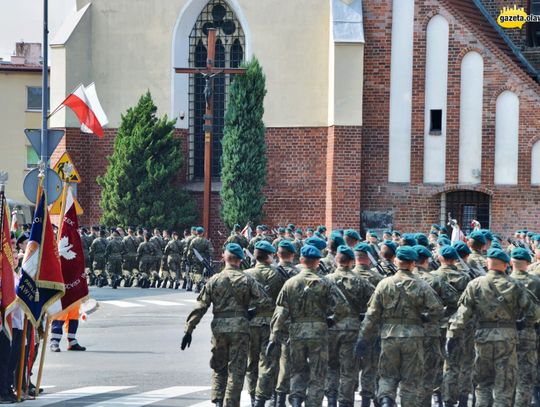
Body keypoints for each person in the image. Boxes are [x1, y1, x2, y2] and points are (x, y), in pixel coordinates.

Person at [447, 248, 540, 406]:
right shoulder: (515, 285)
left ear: (488, 263)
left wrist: (452, 335)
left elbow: (462, 314)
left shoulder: (475, 284)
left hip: (483, 337)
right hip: (508, 338)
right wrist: (523, 323)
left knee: (483, 384)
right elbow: (533, 312)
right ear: (505, 265)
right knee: (504, 385)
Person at [181, 243, 270, 407]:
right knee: (237, 370)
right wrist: (251, 313)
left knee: (218, 366)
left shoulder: (214, 280)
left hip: (219, 329)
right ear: (240, 260)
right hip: (241, 328)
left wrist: (189, 330)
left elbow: (201, 306)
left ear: (224, 258)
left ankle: (218, 402)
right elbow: (265, 302)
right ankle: (231, 403)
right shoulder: (247, 279)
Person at [355, 246, 444, 406]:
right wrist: (424, 318)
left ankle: (386, 401)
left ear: (397, 262)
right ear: (412, 264)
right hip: (414, 337)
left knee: (387, 376)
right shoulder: (422, 285)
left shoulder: (384, 284)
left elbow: (372, 315)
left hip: (389, 336)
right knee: (410, 380)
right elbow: (437, 310)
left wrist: (363, 338)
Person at [267, 244, 349, 407]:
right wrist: (331, 320)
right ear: (318, 262)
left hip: (296, 331)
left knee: (298, 370)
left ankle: (296, 401)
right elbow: (343, 307)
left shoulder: (290, 283)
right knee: (317, 373)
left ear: (302, 260)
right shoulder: (325, 282)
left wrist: (274, 337)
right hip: (319, 331)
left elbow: (280, 312)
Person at [325, 245, 375, 407]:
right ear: (352, 262)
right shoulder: (361, 281)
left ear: (336, 261)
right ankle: (345, 403)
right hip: (352, 329)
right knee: (349, 370)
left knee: (332, 366)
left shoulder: (326, 280)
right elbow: (374, 301)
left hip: (331, 328)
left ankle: (331, 400)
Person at [412, 245, 458, 407]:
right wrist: (438, 317)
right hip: (431, 331)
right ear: (426, 261)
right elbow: (455, 302)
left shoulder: (391, 280)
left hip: (401, 332)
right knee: (430, 369)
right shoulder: (434, 280)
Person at [245, 241, 287, 407]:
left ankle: (253, 396)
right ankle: (262, 397)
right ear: (269, 256)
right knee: (267, 363)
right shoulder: (277, 274)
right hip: (269, 323)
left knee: (251, 362)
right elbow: (281, 301)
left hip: (250, 323)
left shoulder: (246, 274)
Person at [431, 245, 471, 407]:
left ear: (440, 258)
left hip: (437, 325)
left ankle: (438, 397)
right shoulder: (465, 277)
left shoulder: (433, 276)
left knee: (437, 363)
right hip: (459, 325)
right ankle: (458, 399)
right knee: (459, 363)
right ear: (455, 259)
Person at [352, 242, 383, 404]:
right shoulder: (378, 278)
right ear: (369, 258)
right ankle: (367, 400)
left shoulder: (345, 276)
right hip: (372, 327)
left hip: (349, 327)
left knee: (349, 367)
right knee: (370, 367)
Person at [509, 247, 540, 406]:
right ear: (528, 263)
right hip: (529, 331)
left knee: (507, 372)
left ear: (510, 262)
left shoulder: (506, 280)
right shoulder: (536, 281)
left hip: (506, 331)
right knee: (526, 373)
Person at [272, 240, 300, 406]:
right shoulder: (297, 275)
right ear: (293, 255)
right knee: (286, 361)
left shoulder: (271, 272)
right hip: (291, 322)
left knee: (267, 361)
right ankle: (281, 397)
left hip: (270, 320)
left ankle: (266, 396)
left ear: (277, 254)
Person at [187, 227, 214, 292]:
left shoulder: (193, 241)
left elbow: (190, 252)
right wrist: (210, 259)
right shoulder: (206, 241)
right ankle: (199, 286)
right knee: (202, 272)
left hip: (196, 259)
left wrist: (189, 259)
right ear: (202, 233)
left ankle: (199, 285)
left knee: (197, 273)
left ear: (196, 232)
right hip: (204, 259)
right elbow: (211, 251)